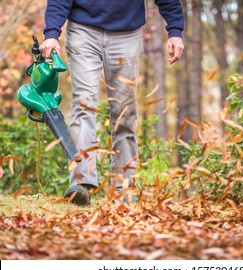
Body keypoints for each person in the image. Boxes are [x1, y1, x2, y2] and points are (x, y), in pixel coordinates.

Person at [40, 0, 185, 206]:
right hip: (83, 30)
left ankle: (124, 187)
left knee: (124, 112)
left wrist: (175, 31)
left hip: (127, 33)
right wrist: (52, 33)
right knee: (84, 104)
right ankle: (82, 184)